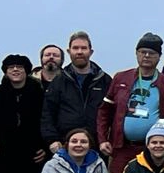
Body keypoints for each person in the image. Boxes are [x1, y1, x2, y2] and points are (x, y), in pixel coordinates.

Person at [97, 32, 164, 173]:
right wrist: (102, 139)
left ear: (159, 57)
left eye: (151, 53)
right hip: (122, 147)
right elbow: (104, 111)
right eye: (142, 52)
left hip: (153, 150)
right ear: (136, 54)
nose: (146, 56)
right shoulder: (120, 78)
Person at [40, 31, 111, 159]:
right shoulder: (58, 81)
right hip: (65, 146)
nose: (79, 52)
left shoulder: (104, 80)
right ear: (68, 51)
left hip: (97, 146)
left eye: (84, 48)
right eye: (75, 48)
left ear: (91, 51)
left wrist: (107, 139)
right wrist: (52, 139)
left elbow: (112, 113)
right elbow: (47, 114)